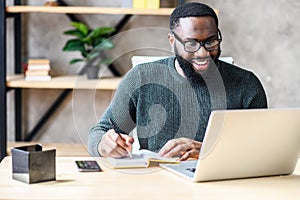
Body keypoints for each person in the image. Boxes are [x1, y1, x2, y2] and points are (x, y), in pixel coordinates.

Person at [88, 2, 267, 161]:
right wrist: (104, 145)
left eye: (211, 42)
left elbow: (262, 150)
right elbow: (99, 132)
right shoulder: (141, 78)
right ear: (172, 41)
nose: (203, 53)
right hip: (157, 186)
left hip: (223, 186)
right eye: (191, 44)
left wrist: (207, 151)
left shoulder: (247, 85)